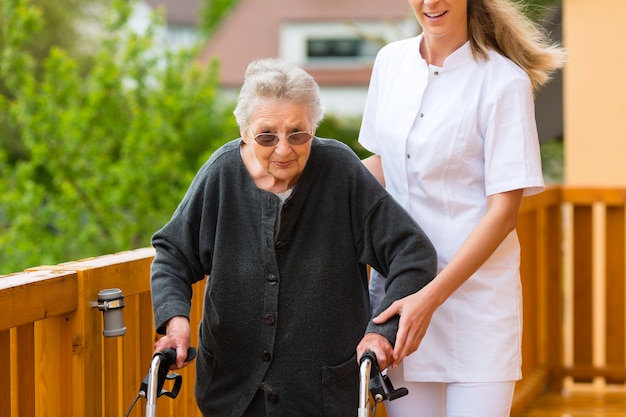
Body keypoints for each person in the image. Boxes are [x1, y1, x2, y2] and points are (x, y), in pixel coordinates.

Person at [150, 57, 437, 417]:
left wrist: (383, 332)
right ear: (244, 131)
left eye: (297, 134)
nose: (283, 149)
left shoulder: (339, 172)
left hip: (322, 394)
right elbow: (173, 254)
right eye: (267, 135)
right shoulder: (222, 175)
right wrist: (176, 323)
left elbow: (412, 254)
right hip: (232, 393)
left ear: (314, 129)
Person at [356, 0, 566, 416]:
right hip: (401, 303)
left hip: (476, 311)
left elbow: (504, 212)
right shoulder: (390, 63)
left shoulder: (503, 80)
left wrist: (430, 299)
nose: (430, 3)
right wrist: (304, 190)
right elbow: (381, 166)